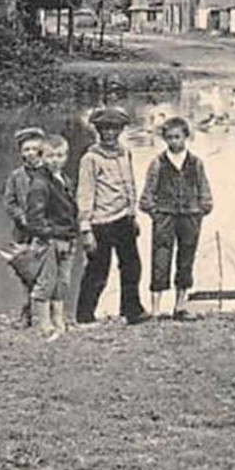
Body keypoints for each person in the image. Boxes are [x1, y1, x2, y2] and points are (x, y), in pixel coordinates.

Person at [76, 106, 148, 325]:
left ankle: (131, 310)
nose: (109, 134)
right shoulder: (90, 158)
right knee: (98, 271)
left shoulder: (125, 152)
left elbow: (130, 185)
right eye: (104, 129)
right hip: (101, 223)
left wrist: (132, 215)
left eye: (114, 129)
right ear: (98, 131)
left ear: (121, 130)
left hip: (123, 220)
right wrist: (86, 229)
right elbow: (85, 194)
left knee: (132, 266)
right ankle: (85, 316)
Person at [138, 116, 214, 320]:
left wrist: (201, 210)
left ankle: (180, 305)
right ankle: (155, 307)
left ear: (186, 137)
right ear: (164, 139)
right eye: (170, 137)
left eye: (178, 137)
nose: (174, 142)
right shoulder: (158, 163)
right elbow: (146, 195)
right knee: (160, 258)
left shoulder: (196, 163)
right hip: (165, 216)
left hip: (190, 216)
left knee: (186, 258)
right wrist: (155, 212)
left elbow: (204, 190)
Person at [18, 132, 82, 341]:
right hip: (49, 240)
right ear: (42, 157)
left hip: (67, 237)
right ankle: (44, 325)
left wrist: (72, 234)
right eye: (51, 156)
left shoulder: (65, 180)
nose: (56, 160)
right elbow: (34, 217)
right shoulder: (40, 183)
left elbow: (71, 211)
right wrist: (50, 237)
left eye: (61, 155)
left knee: (62, 282)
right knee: (45, 282)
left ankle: (59, 320)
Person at [1, 127, 49, 327]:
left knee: (48, 271)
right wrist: (22, 218)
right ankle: (25, 313)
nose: (30, 153)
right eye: (26, 149)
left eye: (34, 149)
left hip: (46, 229)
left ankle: (51, 316)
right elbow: (9, 202)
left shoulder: (50, 173)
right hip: (23, 230)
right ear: (21, 152)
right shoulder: (16, 176)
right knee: (24, 272)